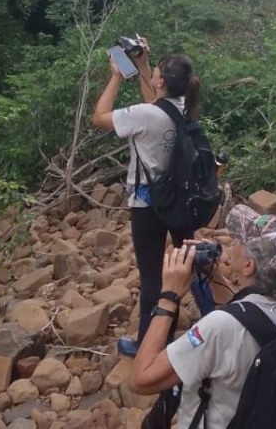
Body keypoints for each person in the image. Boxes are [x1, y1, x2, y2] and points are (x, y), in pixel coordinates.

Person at [127, 205, 276, 428]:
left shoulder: (219, 327)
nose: (233, 243)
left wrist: (169, 297)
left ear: (248, 266)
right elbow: (249, 312)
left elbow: (139, 380)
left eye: (240, 241)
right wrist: (214, 276)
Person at [92, 39, 201, 357]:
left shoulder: (144, 115)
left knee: (152, 276)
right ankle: (200, 325)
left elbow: (99, 117)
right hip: (181, 200)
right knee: (184, 267)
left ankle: (147, 344)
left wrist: (115, 76)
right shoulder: (182, 107)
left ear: (162, 81)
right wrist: (144, 64)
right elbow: (156, 102)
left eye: (154, 72)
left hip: (148, 204)